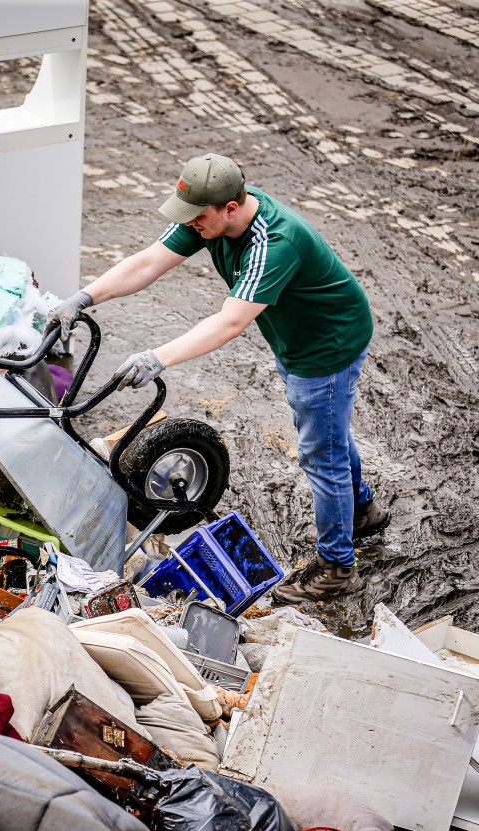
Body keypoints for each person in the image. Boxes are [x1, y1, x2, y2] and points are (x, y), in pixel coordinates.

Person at [49, 153, 390, 602]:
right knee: (328, 430)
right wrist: (84, 296)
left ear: (231, 207)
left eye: (197, 217)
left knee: (319, 452)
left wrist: (158, 357)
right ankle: (360, 509)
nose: (190, 224)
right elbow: (149, 262)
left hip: (325, 348)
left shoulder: (274, 241)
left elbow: (230, 322)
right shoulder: (207, 219)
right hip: (296, 338)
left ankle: (337, 567)